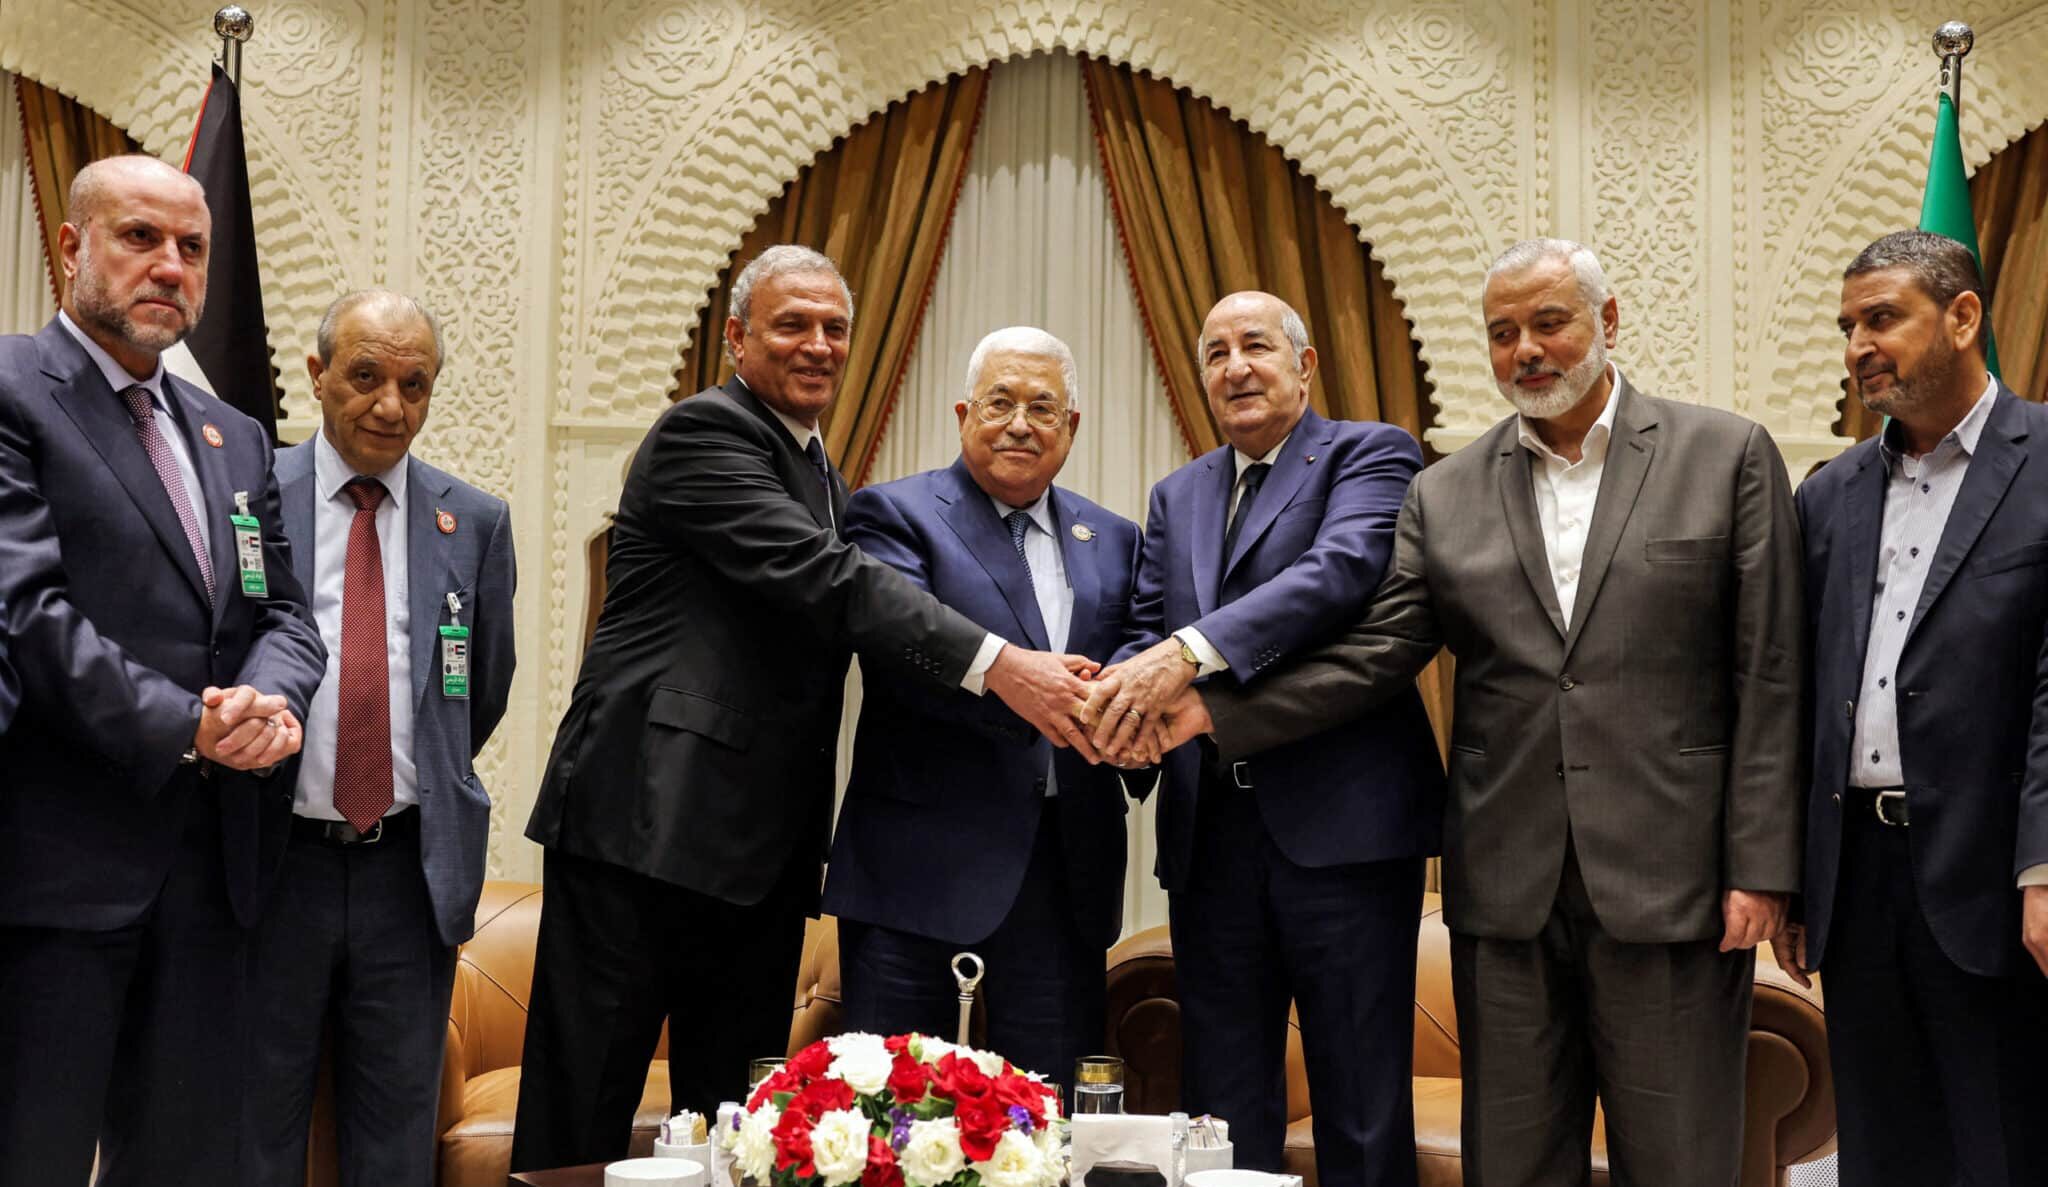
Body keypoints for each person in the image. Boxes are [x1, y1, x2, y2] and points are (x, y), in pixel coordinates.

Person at [1141, 240, 1803, 1187]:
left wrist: (1763, 865)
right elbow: (1377, 655)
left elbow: (1771, 670)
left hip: (1674, 880)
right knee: (1513, 1166)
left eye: (1549, 323)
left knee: (1680, 1163)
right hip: (1505, 886)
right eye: (1502, 333)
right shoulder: (1444, 489)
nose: (1525, 349)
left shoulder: (1725, 455)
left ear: (1608, 323)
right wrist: (1213, 718)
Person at [513, 246, 1100, 1170]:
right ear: (737, 337)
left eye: (835, 328)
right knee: (582, 1111)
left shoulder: (822, 471)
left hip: (761, 854)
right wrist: (1002, 664)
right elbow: (830, 579)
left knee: (737, 1128)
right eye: (792, 324)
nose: (818, 345)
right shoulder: (704, 432)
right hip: (644, 826)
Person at [0, 154, 324, 1187]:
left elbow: (285, 613)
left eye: (192, 247)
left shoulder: (234, 436)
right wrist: (190, 723)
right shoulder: (13, 388)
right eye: (140, 237)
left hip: (214, 878)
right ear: (72, 247)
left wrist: (269, 702)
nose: (171, 267)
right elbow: (24, 614)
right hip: (55, 878)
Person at [1081, 292, 1442, 1187]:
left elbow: (1338, 572)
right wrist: (1120, 704)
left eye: (1256, 345)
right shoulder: (1179, 493)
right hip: (1211, 838)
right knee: (1221, 1108)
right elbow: (1144, 626)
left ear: (1304, 364)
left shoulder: (1370, 454)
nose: (1235, 366)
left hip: (1344, 837)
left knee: (1361, 1106)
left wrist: (1184, 656)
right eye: (1215, 353)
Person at [1776, 229, 2048, 1186]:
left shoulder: (2045, 458)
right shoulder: (1831, 492)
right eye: (1848, 326)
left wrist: (2044, 865)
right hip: (1858, 883)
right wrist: (1795, 877)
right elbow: (1801, 693)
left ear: (1963, 316)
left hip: (1998, 878)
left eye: (1882, 318)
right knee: (1882, 1156)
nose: (1859, 345)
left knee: (2005, 1150)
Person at [241, 290, 518, 1186]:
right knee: (254, 1135)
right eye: (365, 376)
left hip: (409, 872)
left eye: (414, 383)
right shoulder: (250, 493)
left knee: (396, 1146)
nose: (390, 405)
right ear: (317, 375)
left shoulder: (473, 520)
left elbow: (478, 693)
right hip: (271, 864)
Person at [824, 326, 1144, 1092]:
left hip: (1064, 877)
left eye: (1043, 407)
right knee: (896, 1119)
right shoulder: (893, 513)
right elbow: (900, 647)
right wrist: (1030, 688)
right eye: (1000, 403)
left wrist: (1120, 708)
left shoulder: (1114, 538)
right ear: (964, 413)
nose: (1020, 424)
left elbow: (1140, 650)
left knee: (1047, 1120)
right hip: (918, 873)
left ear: (1072, 425)